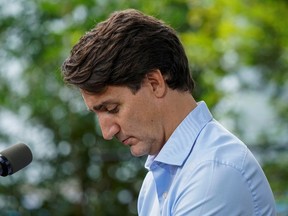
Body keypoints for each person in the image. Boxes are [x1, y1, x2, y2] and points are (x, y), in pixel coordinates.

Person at [61, 9, 276, 216]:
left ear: (155, 83)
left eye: (111, 109)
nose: (107, 132)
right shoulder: (157, 181)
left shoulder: (212, 172)